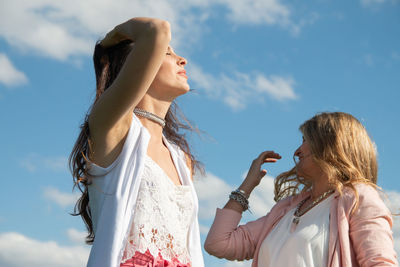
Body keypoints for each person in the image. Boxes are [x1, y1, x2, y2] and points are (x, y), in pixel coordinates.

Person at [69, 17, 204, 267]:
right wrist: (113, 36)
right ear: (138, 65)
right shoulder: (112, 128)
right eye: (167, 53)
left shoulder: (181, 159)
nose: (182, 59)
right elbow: (158, 29)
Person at [204, 112, 398, 266]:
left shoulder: (358, 198)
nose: (297, 151)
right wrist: (247, 185)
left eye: (305, 140)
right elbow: (219, 243)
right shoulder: (284, 210)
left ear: (330, 146)